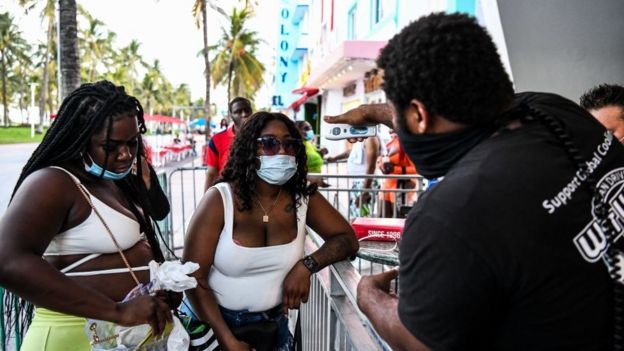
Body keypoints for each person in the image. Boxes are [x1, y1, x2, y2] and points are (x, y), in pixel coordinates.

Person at [325, 13, 623, 350]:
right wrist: (373, 111)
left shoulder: (451, 212)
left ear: (419, 115)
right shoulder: (556, 110)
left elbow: (421, 343)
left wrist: (369, 298)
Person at [0, 81, 176, 350]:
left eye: (132, 142)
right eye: (111, 146)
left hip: (119, 337)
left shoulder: (115, 177)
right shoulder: (53, 182)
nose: (126, 154)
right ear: (80, 139)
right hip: (73, 336)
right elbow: (8, 261)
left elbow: (158, 212)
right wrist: (117, 311)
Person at [183, 112, 359, 350]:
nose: (282, 152)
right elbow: (193, 276)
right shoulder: (220, 199)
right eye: (269, 144)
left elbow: (347, 239)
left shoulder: (303, 196)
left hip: (275, 327)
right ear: (250, 150)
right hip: (218, 326)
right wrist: (226, 339)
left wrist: (306, 266)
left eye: (290, 144)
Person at [326, 132, 381, 217]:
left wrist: (364, 192)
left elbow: (371, 166)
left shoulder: (371, 138)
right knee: (354, 216)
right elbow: (351, 152)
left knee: (362, 218)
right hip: (359, 183)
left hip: (365, 184)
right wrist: (334, 158)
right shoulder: (361, 138)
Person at [204, 97, 253, 191]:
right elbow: (211, 174)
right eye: (238, 112)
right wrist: (206, 199)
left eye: (247, 110)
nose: (244, 114)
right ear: (231, 115)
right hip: (228, 194)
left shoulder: (262, 137)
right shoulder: (217, 140)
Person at [377, 131, 417, 217]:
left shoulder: (407, 144)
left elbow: (417, 169)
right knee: (381, 218)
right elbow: (383, 160)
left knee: (398, 218)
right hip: (387, 185)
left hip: (401, 186)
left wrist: (394, 169)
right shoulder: (389, 143)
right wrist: (381, 166)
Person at [295, 120, 329, 187]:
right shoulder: (295, 146)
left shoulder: (308, 143)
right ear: (297, 130)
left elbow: (313, 157)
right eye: (306, 128)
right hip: (305, 184)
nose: (310, 131)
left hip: (314, 183)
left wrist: (321, 153)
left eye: (311, 128)